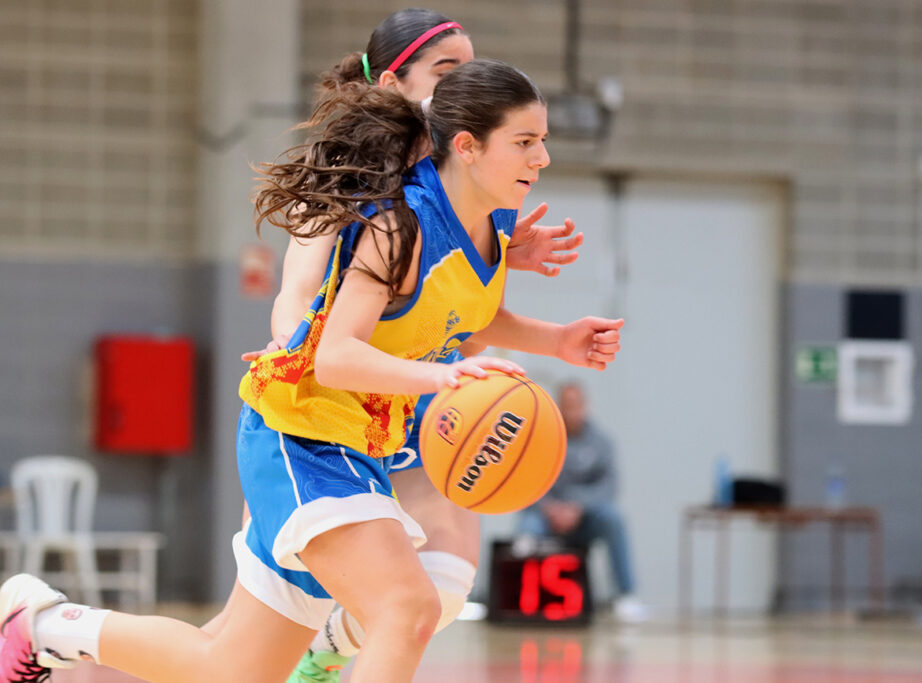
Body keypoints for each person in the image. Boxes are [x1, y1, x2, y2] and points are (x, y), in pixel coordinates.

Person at [0, 58, 622, 683]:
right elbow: (337, 355)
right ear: (467, 146)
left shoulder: (494, 225)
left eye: (542, 141)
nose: (542, 157)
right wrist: (437, 380)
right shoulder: (398, 225)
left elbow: (463, 319)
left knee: (230, 669)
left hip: (358, 445)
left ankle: (44, 626)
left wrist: (557, 340)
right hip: (303, 436)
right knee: (409, 610)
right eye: (525, 141)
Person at [217, 10, 588, 682]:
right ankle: (320, 648)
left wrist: (511, 269)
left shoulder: (481, 187)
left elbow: (459, 314)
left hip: (414, 405)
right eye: (448, 70)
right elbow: (296, 296)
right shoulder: (354, 188)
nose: (466, 78)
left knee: (441, 592)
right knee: (277, 646)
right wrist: (294, 342)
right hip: (327, 407)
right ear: (395, 85)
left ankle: (327, 648)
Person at [515, 381, 649, 623]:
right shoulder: (542, 439)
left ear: (585, 406)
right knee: (527, 527)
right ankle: (519, 599)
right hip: (547, 516)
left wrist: (577, 507)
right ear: (558, 406)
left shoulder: (602, 443)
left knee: (614, 519)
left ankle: (626, 595)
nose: (572, 411)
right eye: (567, 405)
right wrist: (550, 508)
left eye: (576, 405)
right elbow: (527, 479)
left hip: (586, 518)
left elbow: (608, 486)